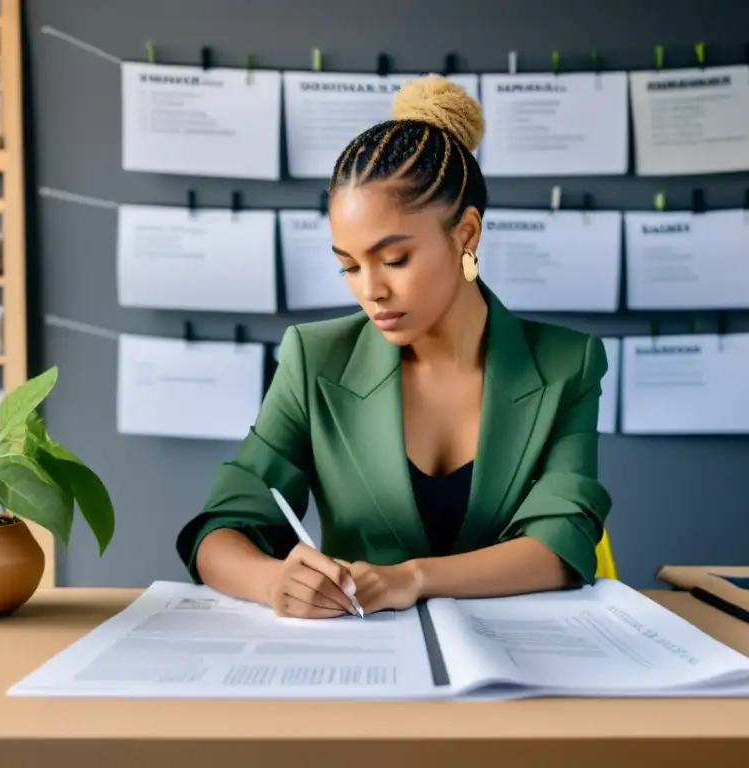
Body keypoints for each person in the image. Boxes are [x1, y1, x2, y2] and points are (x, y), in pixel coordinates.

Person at [175, 74, 612, 619]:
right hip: (361, 664)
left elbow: (562, 543)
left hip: (522, 668)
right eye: (349, 266)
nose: (370, 291)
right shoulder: (315, 358)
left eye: (395, 259)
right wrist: (272, 581)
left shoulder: (569, 363)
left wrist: (415, 578)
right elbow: (221, 527)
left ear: (467, 235)